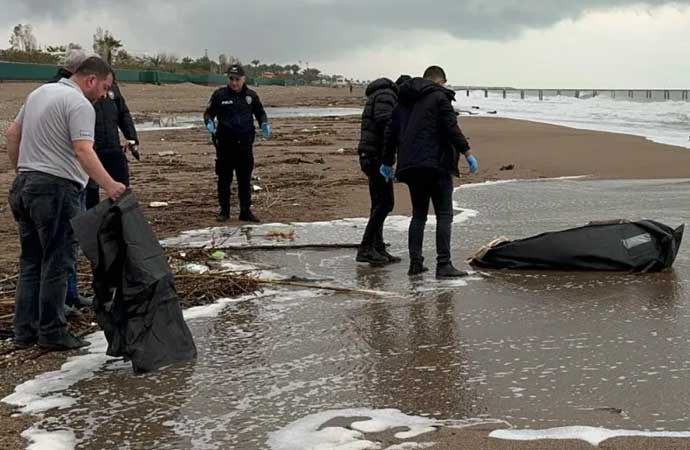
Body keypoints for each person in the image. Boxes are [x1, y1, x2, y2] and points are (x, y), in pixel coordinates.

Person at [5, 56, 127, 350]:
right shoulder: (80, 104)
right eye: (104, 87)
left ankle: (24, 331)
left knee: (32, 260)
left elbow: (12, 134)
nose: (104, 95)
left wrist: (22, 169)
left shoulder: (39, 93)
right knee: (57, 261)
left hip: (24, 186)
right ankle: (51, 332)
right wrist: (110, 185)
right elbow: (83, 151)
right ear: (91, 80)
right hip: (56, 190)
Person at [382, 65, 478, 278]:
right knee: (444, 214)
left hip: (410, 166)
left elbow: (391, 133)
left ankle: (415, 264)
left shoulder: (402, 100)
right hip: (437, 164)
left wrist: (388, 162)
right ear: (439, 81)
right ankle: (443, 265)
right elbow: (451, 128)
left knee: (419, 215)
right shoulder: (439, 97)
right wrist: (467, 152)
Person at [204, 63, 269, 222]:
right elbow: (208, 113)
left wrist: (264, 124)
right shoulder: (220, 95)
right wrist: (209, 123)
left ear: (243, 79)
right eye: (231, 79)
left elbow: (260, 113)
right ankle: (224, 211)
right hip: (225, 146)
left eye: (237, 79)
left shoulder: (251, 96)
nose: (234, 82)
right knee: (224, 180)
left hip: (245, 146)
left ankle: (245, 211)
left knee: (244, 179)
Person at [355, 75, 410, 265]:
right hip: (375, 157)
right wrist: (389, 159)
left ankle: (377, 248)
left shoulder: (379, 94)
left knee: (378, 203)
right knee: (386, 203)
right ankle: (366, 247)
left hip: (369, 155)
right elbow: (386, 123)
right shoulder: (387, 96)